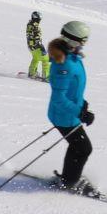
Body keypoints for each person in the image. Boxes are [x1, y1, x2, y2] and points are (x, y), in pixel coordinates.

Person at [46, 22, 94, 192]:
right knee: (83, 148)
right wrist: (79, 112)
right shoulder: (64, 64)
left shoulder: (73, 58)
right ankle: (68, 182)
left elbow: (74, 88)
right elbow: (59, 98)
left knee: (79, 147)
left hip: (70, 113)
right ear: (72, 40)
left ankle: (69, 178)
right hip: (64, 116)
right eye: (82, 41)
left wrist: (82, 104)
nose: (83, 44)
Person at [25, 10, 48, 82]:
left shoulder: (30, 24)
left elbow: (31, 36)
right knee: (46, 59)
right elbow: (35, 37)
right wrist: (40, 46)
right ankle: (46, 76)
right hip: (36, 45)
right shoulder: (34, 25)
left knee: (36, 58)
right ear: (36, 18)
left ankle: (32, 73)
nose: (39, 20)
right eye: (39, 19)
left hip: (31, 46)